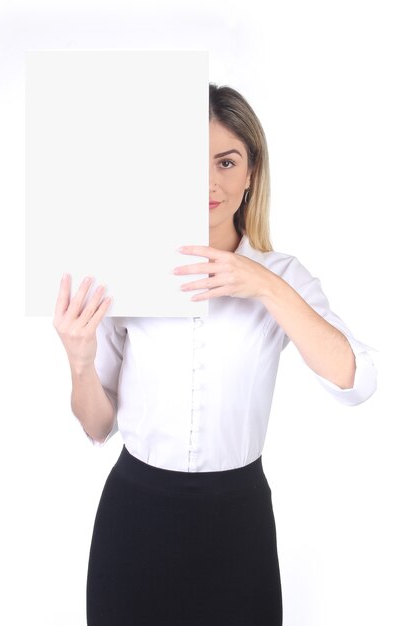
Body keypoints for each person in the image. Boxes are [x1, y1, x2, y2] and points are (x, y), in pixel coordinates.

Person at [53, 83, 377, 626]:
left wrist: (263, 285)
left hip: (237, 519)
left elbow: (357, 382)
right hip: (136, 514)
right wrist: (80, 360)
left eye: (227, 162)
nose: (209, 182)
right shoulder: (124, 273)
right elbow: (96, 426)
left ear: (252, 173)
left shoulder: (284, 277)